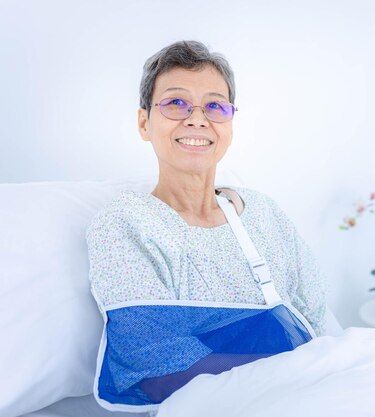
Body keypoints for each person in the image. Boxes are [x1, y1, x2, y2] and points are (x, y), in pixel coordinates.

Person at [85, 40, 327, 413]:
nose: (197, 119)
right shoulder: (125, 225)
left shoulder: (263, 213)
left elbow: (315, 323)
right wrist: (284, 371)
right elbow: (158, 371)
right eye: (176, 103)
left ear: (230, 123)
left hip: (311, 395)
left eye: (214, 105)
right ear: (144, 122)